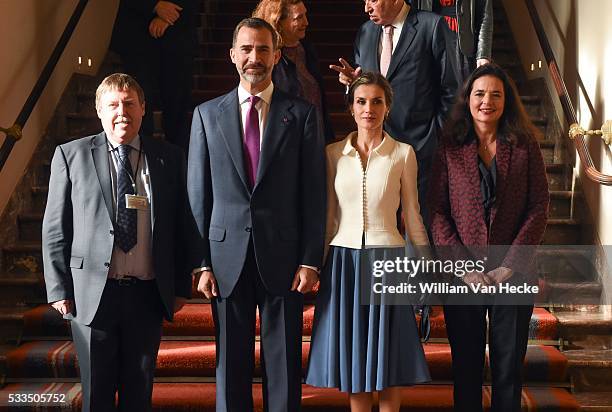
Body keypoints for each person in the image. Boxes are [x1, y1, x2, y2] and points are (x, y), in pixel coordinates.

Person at [187, 17, 325, 412]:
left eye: (263, 49)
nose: (254, 57)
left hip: (284, 257)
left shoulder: (301, 114)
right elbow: (198, 196)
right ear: (233, 55)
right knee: (230, 366)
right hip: (224, 257)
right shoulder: (205, 115)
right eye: (246, 49)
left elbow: (313, 194)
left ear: (277, 55)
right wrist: (200, 263)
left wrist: (310, 259)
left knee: (283, 365)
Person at [42, 73, 191, 411]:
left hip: (147, 294)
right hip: (92, 296)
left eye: (129, 103)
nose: (121, 111)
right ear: (99, 111)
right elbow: (54, 229)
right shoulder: (71, 156)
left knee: (140, 392)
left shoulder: (169, 158)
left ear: (142, 109)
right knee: (97, 393)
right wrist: (57, 288)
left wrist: (181, 285)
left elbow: (182, 226)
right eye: (112, 105)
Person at [306, 72, 431, 412]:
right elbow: (329, 216)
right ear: (350, 107)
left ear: (388, 107)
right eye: (361, 101)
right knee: (355, 358)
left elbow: (413, 215)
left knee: (388, 359)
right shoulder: (332, 154)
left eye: (377, 101)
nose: (369, 108)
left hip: (389, 261)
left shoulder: (403, 153)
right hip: (344, 264)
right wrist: (315, 263)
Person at [428, 63, 549, 411]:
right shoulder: (449, 146)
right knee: (466, 369)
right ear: (468, 99)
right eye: (480, 93)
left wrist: (508, 267)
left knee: (508, 368)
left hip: (514, 274)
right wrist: (465, 268)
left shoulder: (525, 145)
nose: (487, 101)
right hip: (462, 276)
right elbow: (437, 212)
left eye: (496, 94)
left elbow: (539, 207)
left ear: (506, 100)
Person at [330, 0, 458, 221]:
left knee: (419, 233)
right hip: (376, 152)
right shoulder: (365, 32)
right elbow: (366, 89)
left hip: (421, 151)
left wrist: (434, 137)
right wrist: (353, 84)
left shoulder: (432, 26)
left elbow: (452, 89)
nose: (366, 8)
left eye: (373, 0)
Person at [110, 0, 196, 150]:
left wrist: (169, 16)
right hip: (137, 33)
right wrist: (154, 5)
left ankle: (177, 166)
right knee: (137, 104)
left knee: (177, 108)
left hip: (179, 33)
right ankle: (141, 162)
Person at [252, 0, 335, 142]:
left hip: (315, 136)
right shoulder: (269, 58)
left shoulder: (308, 50)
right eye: (299, 18)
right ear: (279, 22)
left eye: (305, 15)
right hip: (285, 141)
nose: (306, 22)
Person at [412, 0, 493, 82]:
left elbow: (484, 14)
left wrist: (483, 55)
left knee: (461, 91)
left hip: (462, 47)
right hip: (429, 43)